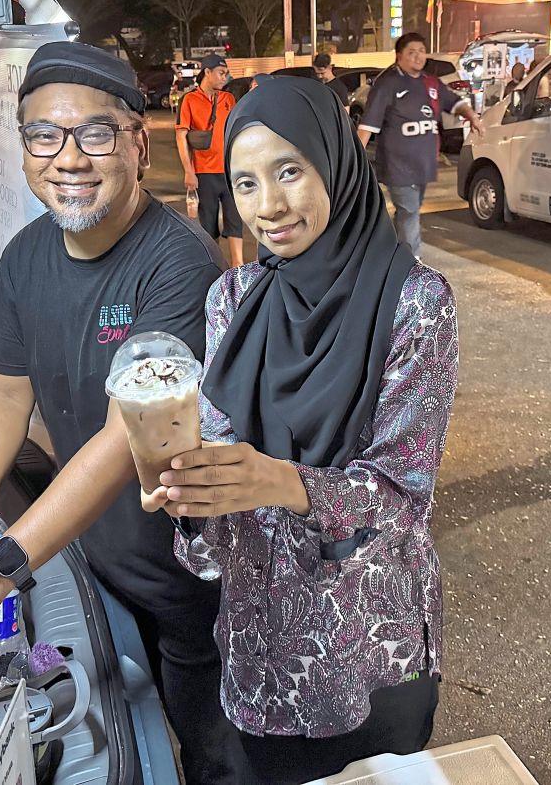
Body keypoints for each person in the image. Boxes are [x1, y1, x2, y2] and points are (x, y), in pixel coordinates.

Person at [0, 42, 243, 785]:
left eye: (95, 133)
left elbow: (123, 435)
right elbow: (6, 390)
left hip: (191, 583)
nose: (68, 157)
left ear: (138, 145)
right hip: (98, 563)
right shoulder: (24, 257)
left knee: (212, 756)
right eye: (45, 135)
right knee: (129, 734)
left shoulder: (180, 263)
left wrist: (0, 568)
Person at [144, 78, 459, 785]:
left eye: (290, 171)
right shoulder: (231, 297)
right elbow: (222, 460)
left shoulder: (415, 301)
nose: (269, 206)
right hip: (264, 652)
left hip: (371, 645)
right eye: (247, 182)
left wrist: (279, 481)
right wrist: (191, 498)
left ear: (335, 163)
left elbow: (401, 495)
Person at [357, 32, 484, 258]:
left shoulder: (430, 83)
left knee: (408, 212)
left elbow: (455, 103)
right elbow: (368, 125)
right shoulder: (387, 84)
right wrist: (353, 159)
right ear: (399, 56)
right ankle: (413, 263)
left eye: (421, 51)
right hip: (398, 164)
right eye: (411, 52)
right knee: (409, 212)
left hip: (423, 165)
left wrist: (472, 116)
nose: (418, 57)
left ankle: (393, 254)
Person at [177, 53, 243, 267]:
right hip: (204, 172)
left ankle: (238, 266)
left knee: (235, 219)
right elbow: (181, 136)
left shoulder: (228, 99)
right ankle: (213, 266)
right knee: (209, 223)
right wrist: (189, 170)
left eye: (226, 73)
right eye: (221, 73)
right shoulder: (189, 100)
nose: (225, 77)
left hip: (229, 170)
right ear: (207, 72)